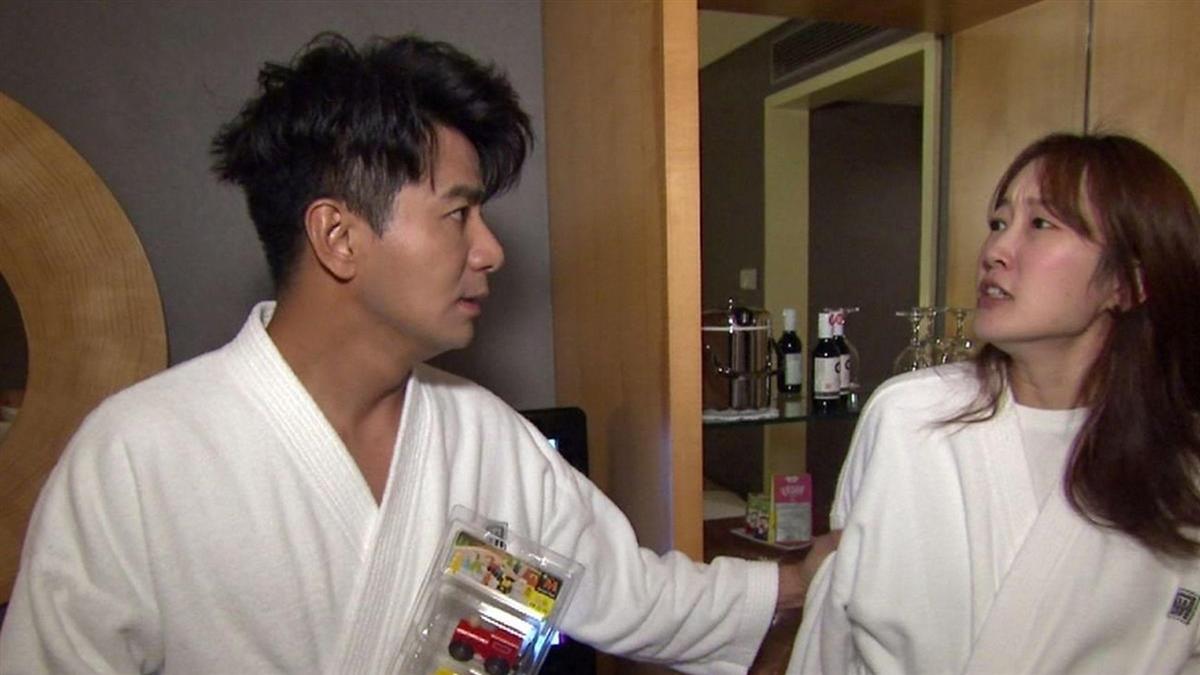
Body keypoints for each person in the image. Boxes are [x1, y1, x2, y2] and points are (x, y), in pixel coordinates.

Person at [0, 32, 825, 674]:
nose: (491, 250)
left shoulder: (486, 438)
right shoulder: (140, 455)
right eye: (458, 215)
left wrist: (802, 580)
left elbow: (636, 593)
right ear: (338, 236)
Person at [787, 132, 1200, 673]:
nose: (994, 251)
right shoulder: (909, 416)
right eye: (1000, 223)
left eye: (1041, 224)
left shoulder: (1182, 465)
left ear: (1127, 282)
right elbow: (833, 633)